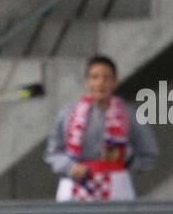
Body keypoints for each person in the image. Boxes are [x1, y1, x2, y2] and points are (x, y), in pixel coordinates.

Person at [43, 55, 158, 202]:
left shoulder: (130, 114)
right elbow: (52, 153)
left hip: (116, 189)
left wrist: (126, 158)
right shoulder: (67, 114)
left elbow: (149, 154)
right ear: (86, 82)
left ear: (114, 82)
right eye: (95, 77)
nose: (100, 83)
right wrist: (69, 167)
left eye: (106, 78)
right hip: (75, 187)